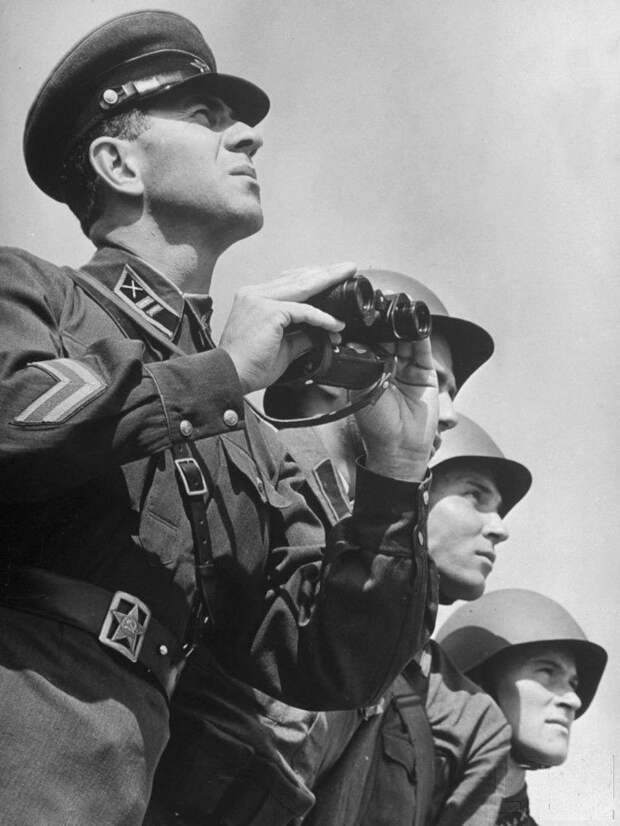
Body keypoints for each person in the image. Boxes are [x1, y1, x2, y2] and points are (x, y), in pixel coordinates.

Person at [0, 12, 439, 825]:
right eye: (205, 116)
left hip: (125, 784)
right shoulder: (30, 293)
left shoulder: (248, 433)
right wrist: (224, 372)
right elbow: (15, 422)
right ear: (117, 162)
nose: (248, 137)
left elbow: (328, 663)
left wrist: (395, 476)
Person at [147, 272, 528, 825]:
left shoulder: (368, 529)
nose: (446, 413)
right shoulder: (241, 469)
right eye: (426, 379)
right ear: (333, 367)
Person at [436, 589, 607, 825]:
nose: (574, 700)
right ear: (477, 683)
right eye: (547, 672)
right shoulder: (403, 808)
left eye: (572, 683)